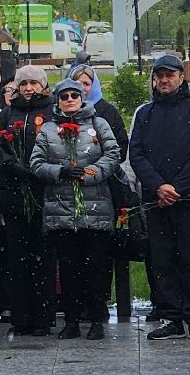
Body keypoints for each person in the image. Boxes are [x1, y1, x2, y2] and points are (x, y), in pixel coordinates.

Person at [131, 53, 190, 342]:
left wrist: (176, 187)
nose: (164, 80)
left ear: (182, 77)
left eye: (170, 75)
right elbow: (137, 154)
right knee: (162, 258)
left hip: (188, 198)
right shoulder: (145, 114)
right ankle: (170, 316)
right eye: (160, 75)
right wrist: (158, 186)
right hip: (157, 200)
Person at [32, 79, 123, 340]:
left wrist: (89, 173)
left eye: (75, 95)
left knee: (96, 267)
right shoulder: (48, 130)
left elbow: (113, 154)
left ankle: (96, 319)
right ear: (58, 101)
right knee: (69, 268)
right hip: (61, 210)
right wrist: (60, 171)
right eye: (64, 96)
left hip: (95, 207)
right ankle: (71, 320)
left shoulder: (98, 123)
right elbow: (37, 164)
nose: (70, 99)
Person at [0, 66, 56, 336]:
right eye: (23, 84)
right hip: (14, 192)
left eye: (34, 83)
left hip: (44, 192)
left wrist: (41, 169)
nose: (28, 88)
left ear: (43, 87)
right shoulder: (8, 114)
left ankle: (43, 317)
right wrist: (13, 165)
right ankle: (21, 316)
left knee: (42, 257)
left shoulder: (52, 112)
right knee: (17, 258)